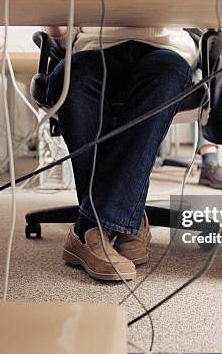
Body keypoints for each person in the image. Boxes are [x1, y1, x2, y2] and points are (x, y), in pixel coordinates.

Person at [44, 27, 196, 281]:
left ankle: (89, 228)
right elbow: (60, 34)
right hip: (95, 47)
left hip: (164, 47)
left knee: (166, 75)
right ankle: (129, 218)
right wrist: (57, 29)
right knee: (71, 78)